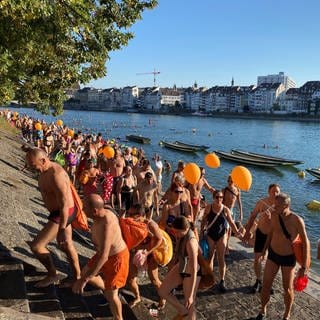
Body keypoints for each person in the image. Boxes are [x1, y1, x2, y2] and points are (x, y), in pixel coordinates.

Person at [26, 148, 81, 287]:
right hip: (58, 211)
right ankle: (77, 276)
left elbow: (63, 205)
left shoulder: (57, 175)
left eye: (33, 165)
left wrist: (61, 228)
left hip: (63, 212)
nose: (32, 168)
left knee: (37, 246)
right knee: (67, 245)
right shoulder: (45, 170)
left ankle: (52, 274)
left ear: (43, 160)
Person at [72, 194, 129, 320]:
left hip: (117, 258)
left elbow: (104, 256)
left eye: (85, 207)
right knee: (85, 272)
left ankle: (118, 318)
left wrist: (84, 280)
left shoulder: (107, 224)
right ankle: (106, 287)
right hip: (102, 254)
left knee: (112, 295)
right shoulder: (102, 211)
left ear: (94, 211)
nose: (83, 210)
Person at [254, 193, 310, 320]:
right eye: (274, 203)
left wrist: (304, 267)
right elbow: (271, 232)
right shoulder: (274, 215)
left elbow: (305, 242)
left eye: (277, 205)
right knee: (266, 285)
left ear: (286, 205)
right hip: (273, 254)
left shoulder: (296, 220)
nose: (274, 207)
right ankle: (263, 310)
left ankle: (287, 314)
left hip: (288, 258)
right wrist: (263, 251)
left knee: (288, 289)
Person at [158, 216, 200, 320]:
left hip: (190, 273)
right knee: (162, 291)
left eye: (177, 232)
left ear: (185, 229)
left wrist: (190, 296)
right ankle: (182, 311)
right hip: (181, 266)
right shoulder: (181, 235)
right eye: (174, 231)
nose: (175, 234)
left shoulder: (191, 242)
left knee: (190, 304)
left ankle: (187, 312)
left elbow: (194, 269)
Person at [200, 190, 241, 293]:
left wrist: (237, 232)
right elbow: (204, 220)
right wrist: (201, 232)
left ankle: (222, 281)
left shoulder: (226, 210)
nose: (219, 199)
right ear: (213, 197)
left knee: (221, 258)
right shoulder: (209, 207)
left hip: (221, 235)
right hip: (210, 235)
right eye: (217, 197)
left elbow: (231, 223)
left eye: (221, 197)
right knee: (210, 257)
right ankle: (210, 277)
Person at [243, 183, 280, 293]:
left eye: (277, 191)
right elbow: (252, 216)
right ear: (269, 192)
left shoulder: (280, 205)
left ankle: (268, 283)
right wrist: (247, 232)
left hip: (273, 237)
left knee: (272, 262)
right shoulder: (261, 203)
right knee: (257, 259)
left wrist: (272, 218)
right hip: (261, 233)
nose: (276, 193)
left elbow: (284, 222)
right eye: (273, 191)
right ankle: (258, 280)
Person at [126, 203, 164, 309]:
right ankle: (137, 297)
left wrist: (148, 252)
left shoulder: (151, 224)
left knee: (154, 280)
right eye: (128, 213)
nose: (128, 216)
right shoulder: (130, 223)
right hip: (135, 253)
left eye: (131, 214)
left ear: (139, 215)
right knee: (131, 279)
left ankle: (163, 298)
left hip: (150, 255)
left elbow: (160, 240)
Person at [223, 175, 243, 255]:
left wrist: (241, 213)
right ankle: (224, 247)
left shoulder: (237, 190)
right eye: (228, 181)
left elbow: (239, 202)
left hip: (232, 211)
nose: (229, 183)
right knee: (226, 229)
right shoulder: (224, 190)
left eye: (231, 181)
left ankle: (227, 245)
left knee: (230, 230)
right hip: (225, 211)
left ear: (235, 182)